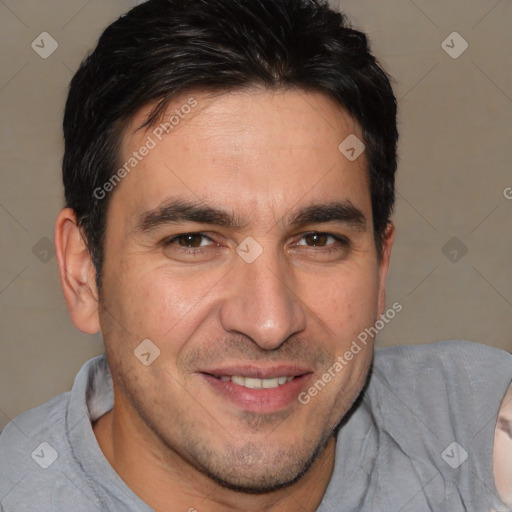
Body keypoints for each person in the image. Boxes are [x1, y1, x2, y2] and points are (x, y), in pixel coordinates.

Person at [0, 1, 511, 510]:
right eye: (194, 241)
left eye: (318, 239)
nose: (269, 322)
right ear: (84, 272)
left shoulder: (471, 433)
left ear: (380, 268)